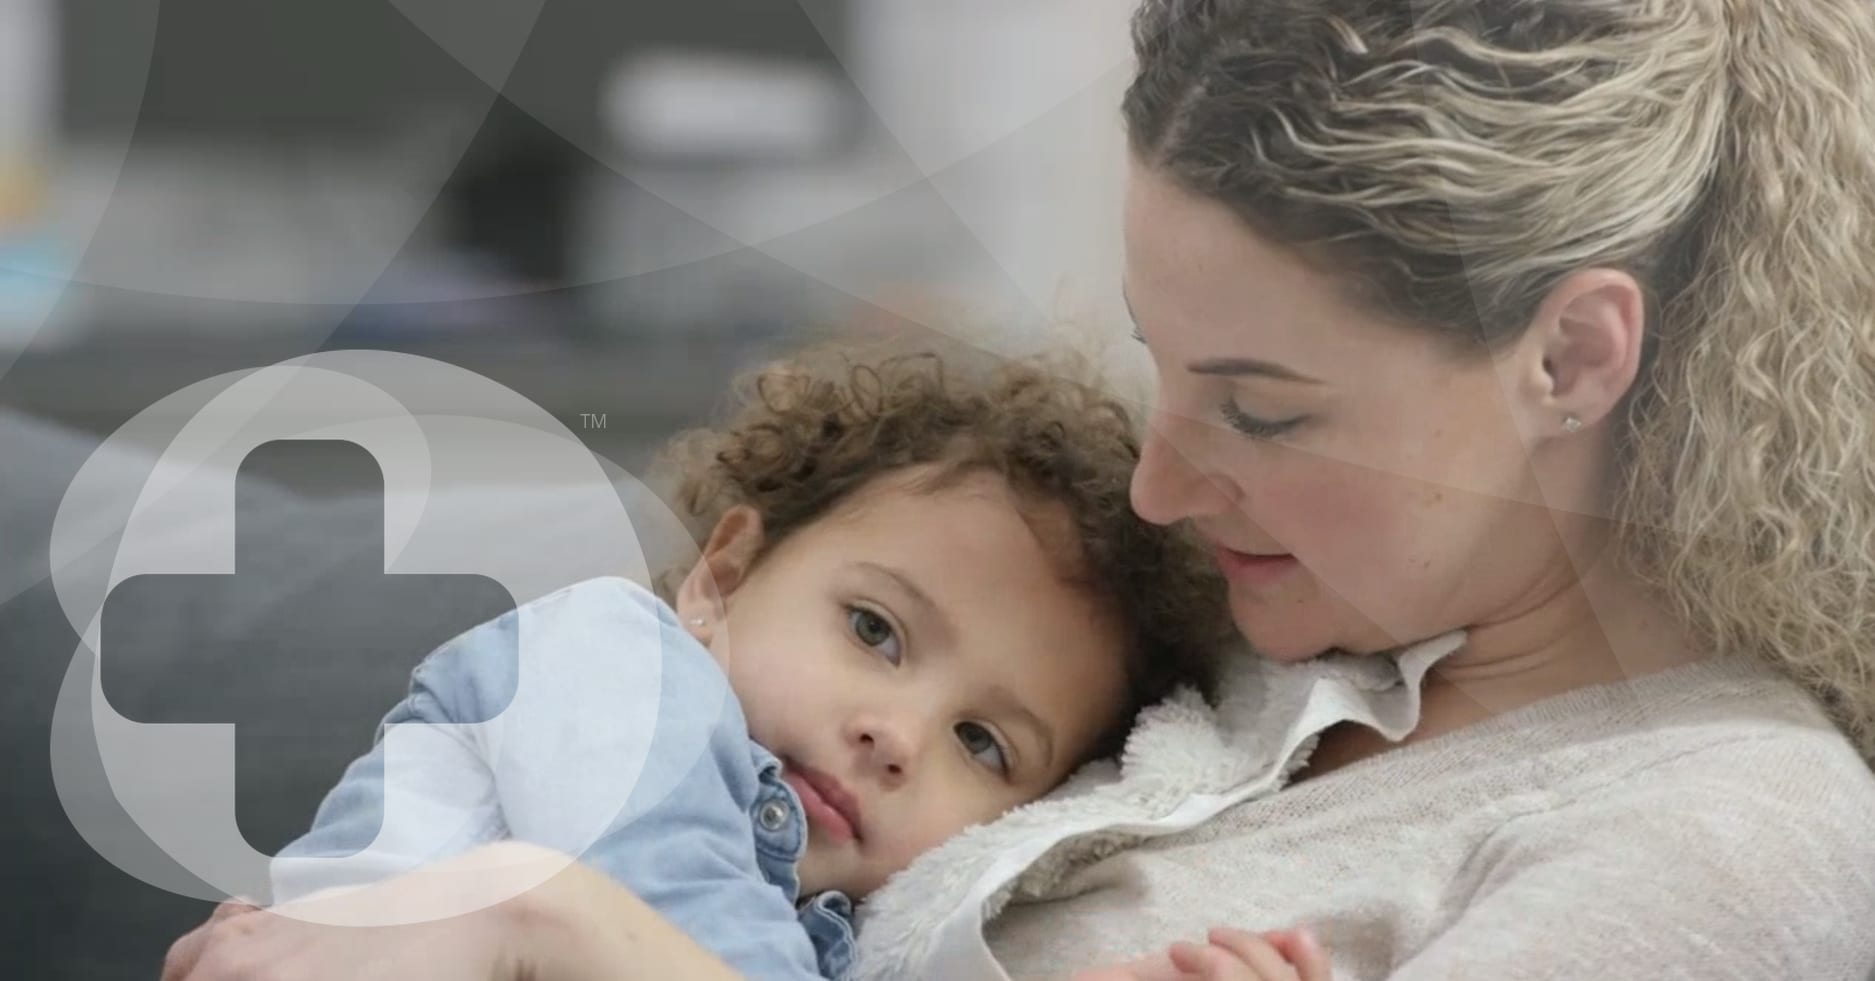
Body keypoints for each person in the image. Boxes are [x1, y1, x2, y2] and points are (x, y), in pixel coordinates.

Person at [164, 0, 1875, 977]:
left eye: (1265, 412)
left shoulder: (1731, 844)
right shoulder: (1297, 628)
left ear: (1572, 359)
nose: (1158, 484)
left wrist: (549, 916)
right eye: (1162, 366)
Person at [182, 345, 1230, 981]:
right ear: (721, 579)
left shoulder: (834, 919)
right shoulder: (614, 664)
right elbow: (663, 885)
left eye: (982, 743)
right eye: (874, 630)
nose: (895, 734)